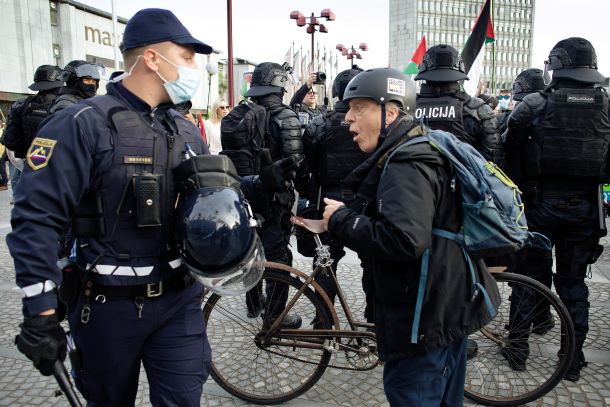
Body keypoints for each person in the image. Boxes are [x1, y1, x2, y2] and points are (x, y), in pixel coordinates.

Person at [8, 8, 297, 406]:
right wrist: (39, 312)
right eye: (187, 57)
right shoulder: (80, 123)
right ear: (151, 58)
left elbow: (207, 197)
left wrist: (258, 183)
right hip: (106, 308)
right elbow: (35, 218)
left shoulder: (182, 129)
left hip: (178, 304)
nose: (195, 67)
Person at [320, 67, 500, 405]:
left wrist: (342, 220)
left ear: (390, 112)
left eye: (358, 108)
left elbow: (405, 240)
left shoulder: (406, 162)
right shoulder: (417, 146)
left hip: (424, 318)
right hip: (441, 305)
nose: (348, 119)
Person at [502, 37, 610, 382]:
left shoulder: (533, 105)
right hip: (585, 210)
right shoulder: (607, 107)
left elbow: (505, 152)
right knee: (573, 283)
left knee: (528, 279)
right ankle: (572, 359)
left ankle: (517, 348)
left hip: (538, 206)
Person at [301, 68, 373, 321]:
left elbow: (307, 165)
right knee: (372, 262)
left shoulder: (320, 123)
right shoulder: (373, 123)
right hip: (365, 201)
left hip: (328, 198)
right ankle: (374, 318)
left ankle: (323, 319)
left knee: (325, 262)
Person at [242, 62, 305, 328]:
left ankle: (254, 304)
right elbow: (295, 163)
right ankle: (275, 317)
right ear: (279, 85)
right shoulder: (285, 116)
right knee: (279, 255)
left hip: (244, 193)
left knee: (251, 251)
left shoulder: (239, 114)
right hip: (274, 196)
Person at [414, 44, 502, 164]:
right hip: (465, 180)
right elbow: (493, 160)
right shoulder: (478, 109)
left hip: (416, 179)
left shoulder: (406, 108)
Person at [2, 65, 64, 159]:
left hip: (30, 164)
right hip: (60, 164)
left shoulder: (22, 105)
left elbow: (10, 141)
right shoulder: (66, 106)